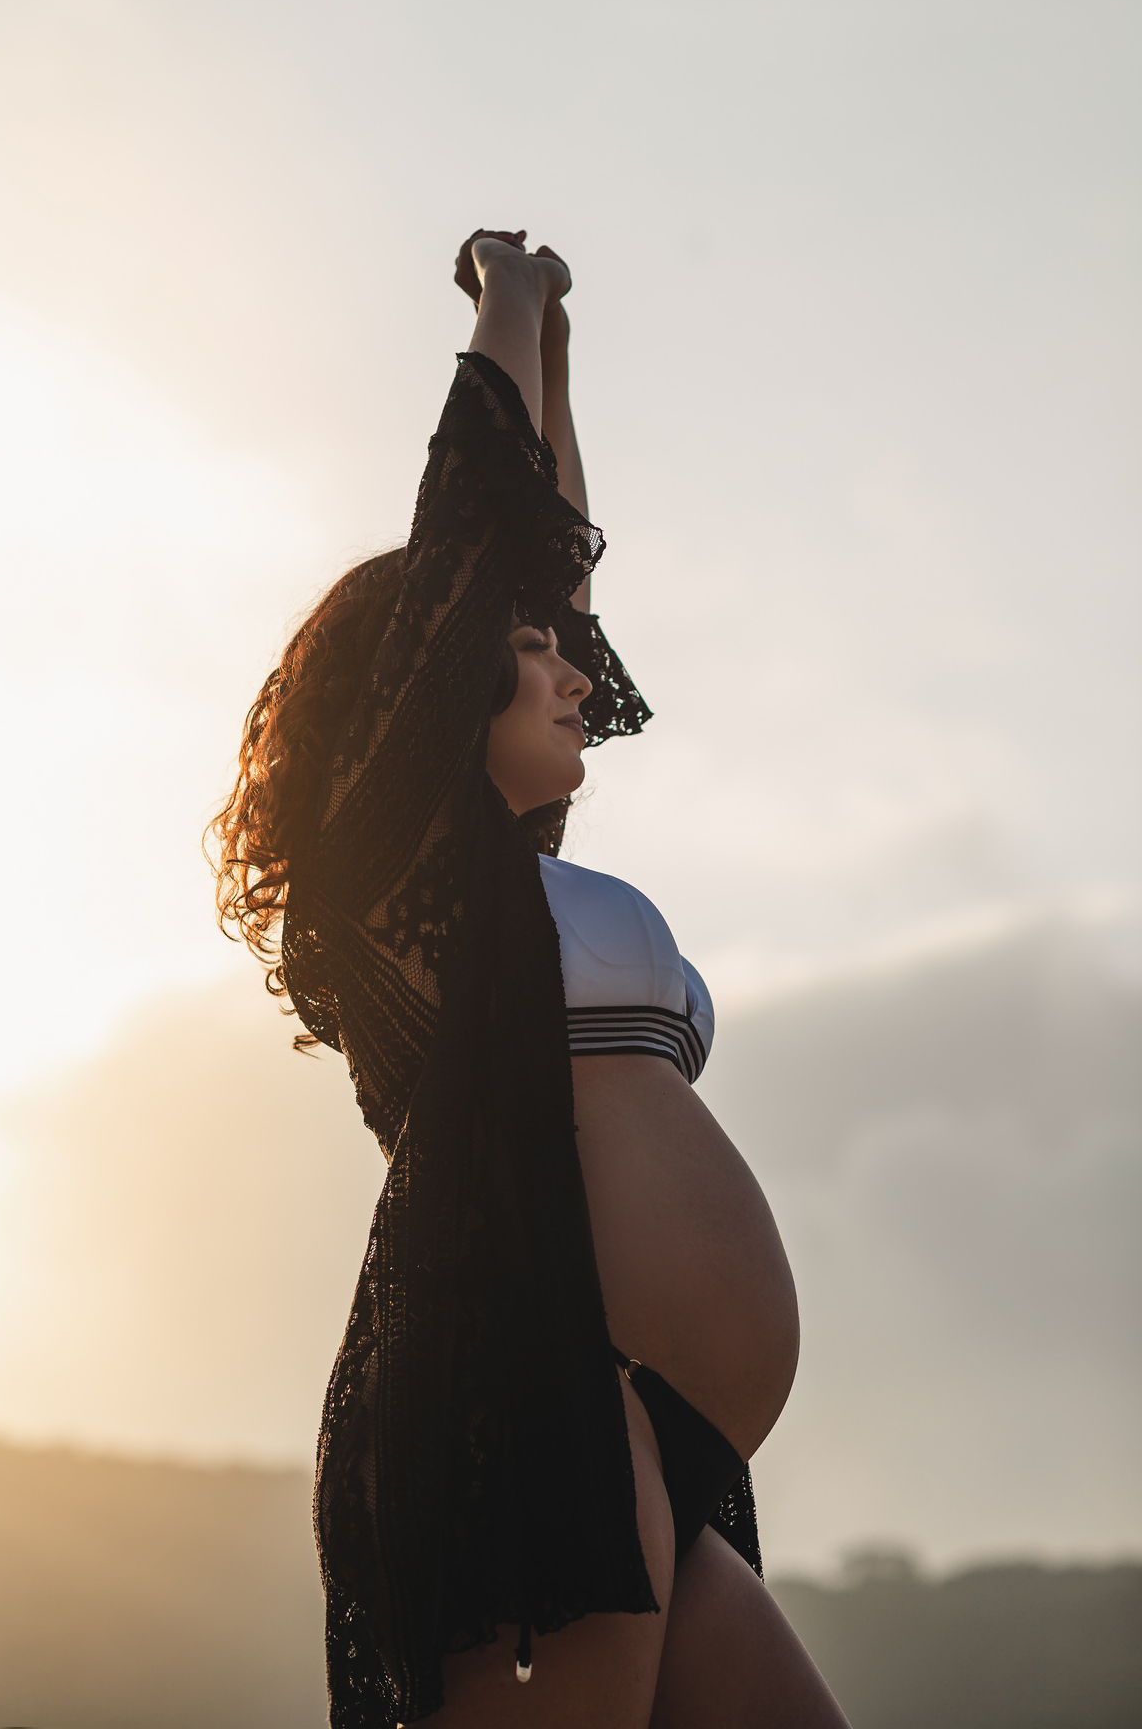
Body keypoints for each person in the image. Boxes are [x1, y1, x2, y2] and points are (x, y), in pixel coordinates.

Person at [212, 230, 850, 1728]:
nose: (573, 674)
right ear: (430, 688)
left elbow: (542, 556)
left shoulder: (519, 895)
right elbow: (475, 542)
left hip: (636, 1438)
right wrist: (504, 298)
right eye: (527, 653)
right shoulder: (411, 897)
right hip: (523, 1420)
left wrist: (558, 344)